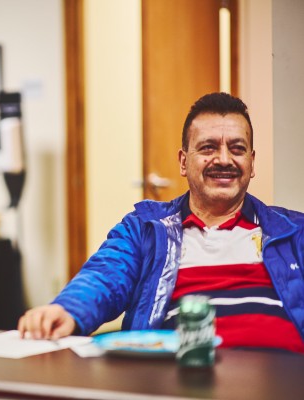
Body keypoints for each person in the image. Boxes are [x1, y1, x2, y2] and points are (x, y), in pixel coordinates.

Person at [18, 92, 304, 354]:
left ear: (252, 163)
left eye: (237, 149)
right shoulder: (145, 228)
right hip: (177, 383)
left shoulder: (293, 232)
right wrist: (68, 310)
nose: (224, 159)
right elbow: (105, 276)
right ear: (183, 162)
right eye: (208, 148)